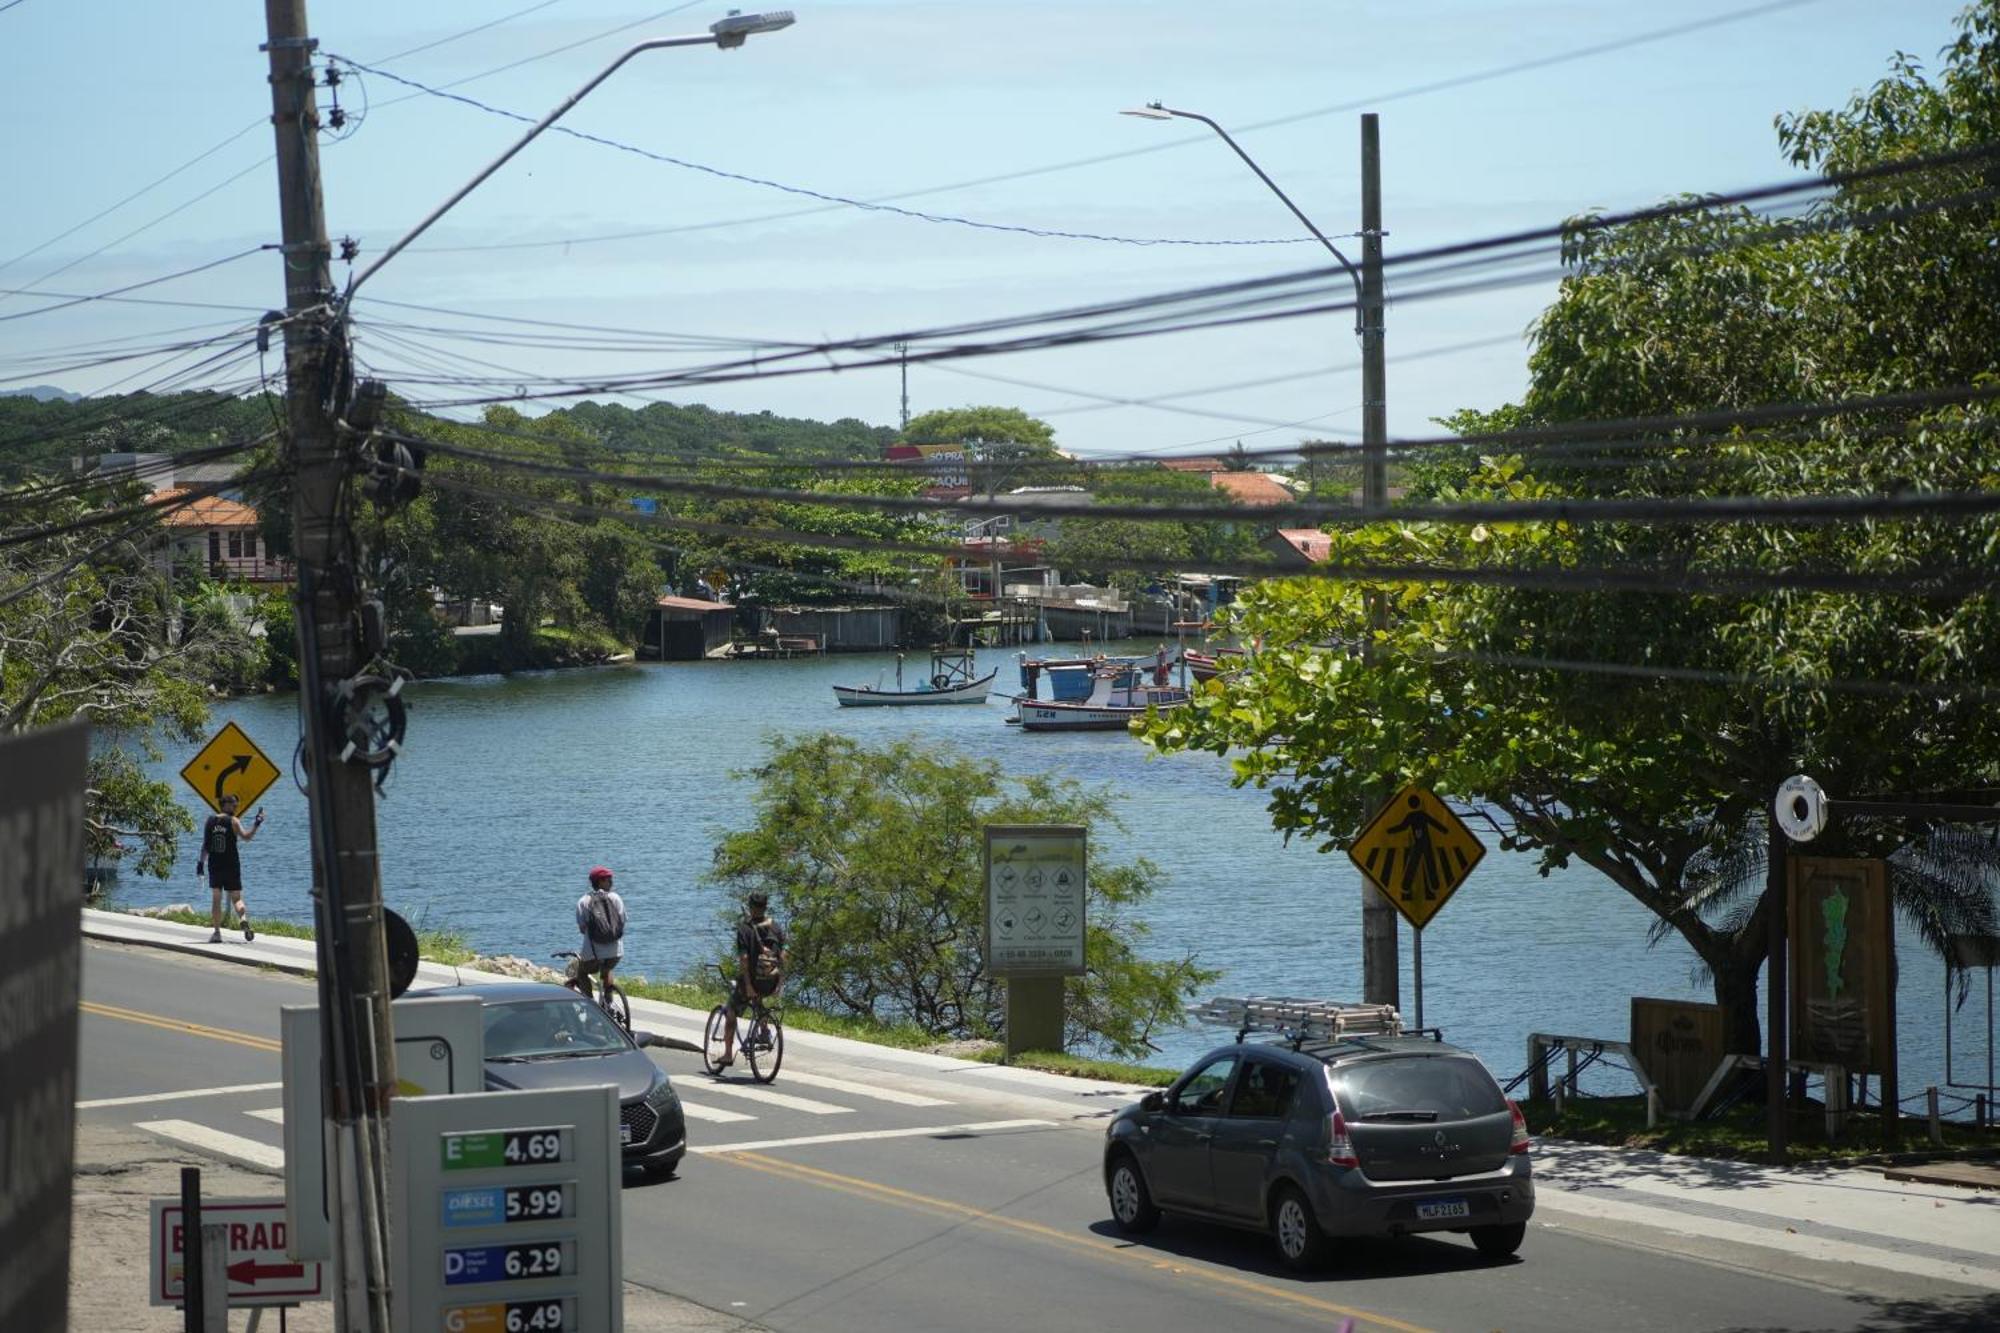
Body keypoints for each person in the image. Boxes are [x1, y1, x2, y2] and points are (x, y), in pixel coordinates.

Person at [716, 891, 786, 1069]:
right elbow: (784, 956)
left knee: (731, 1010)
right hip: (771, 982)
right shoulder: (776, 927)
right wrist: (779, 983)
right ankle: (764, 1031)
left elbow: (744, 959)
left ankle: (727, 1054)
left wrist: (747, 985)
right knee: (759, 999)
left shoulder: (744, 929)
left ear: (750, 907)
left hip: (753, 981)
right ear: (765, 907)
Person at [195, 794, 263, 943]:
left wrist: (200, 864)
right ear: (224, 804)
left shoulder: (210, 821)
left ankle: (217, 933)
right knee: (237, 899)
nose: (236, 807)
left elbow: (205, 846)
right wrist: (256, 824)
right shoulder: (233, 821)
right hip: (232, 865)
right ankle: (243, 919)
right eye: (233, 804)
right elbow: (246, 837)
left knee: (216, 899)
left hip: (215, 865)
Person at [569, 866, 626, 1006]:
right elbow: (623, 921)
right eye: (608, 879)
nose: (611, 882)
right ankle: (609, 1002)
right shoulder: (616, 898)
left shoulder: (583, 901)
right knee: (607, 970)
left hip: (593, 953)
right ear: (600, 882)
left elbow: (582, 929)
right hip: (616, 952)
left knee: (582, 973)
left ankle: (591, 1006)